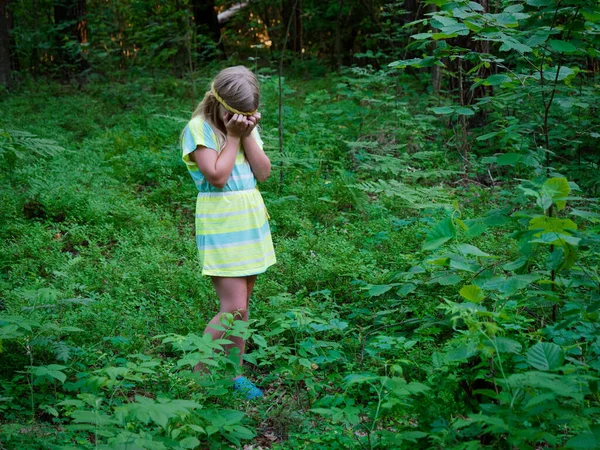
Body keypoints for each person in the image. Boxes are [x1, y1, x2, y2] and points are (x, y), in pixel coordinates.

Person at [180, 66, 276, 399]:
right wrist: (233, 137)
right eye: (235, 114)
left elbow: (263, 173)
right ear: (218, 102)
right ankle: (199, 376)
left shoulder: (245, 129)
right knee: (231, 307)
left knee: (243, 307)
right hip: (221, 222)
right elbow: (217, 177)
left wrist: (247, 134)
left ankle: (232, 374)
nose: (241, 119)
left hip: (248, 221)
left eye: (247, 116)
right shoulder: (199, 129)